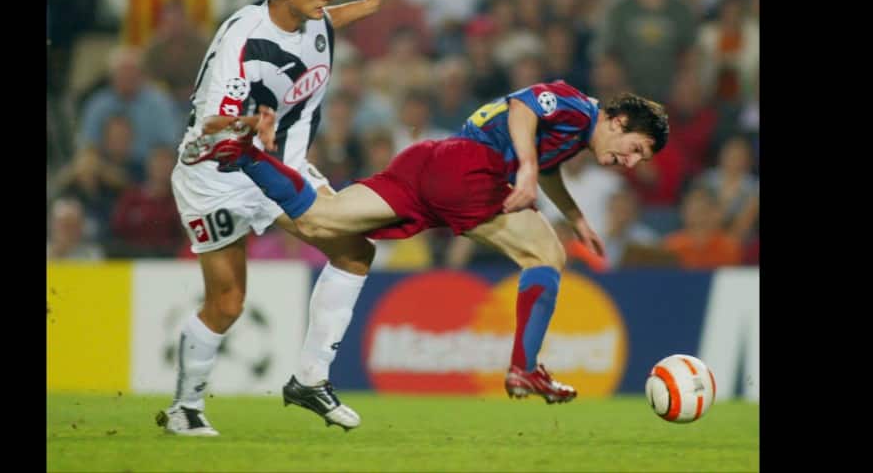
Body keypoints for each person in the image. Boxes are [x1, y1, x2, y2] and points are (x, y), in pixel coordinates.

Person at [185, 83, 669, 406]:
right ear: (619, 122)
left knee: (321, 222)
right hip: (470, 169)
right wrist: (521, 168)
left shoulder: (576, 135)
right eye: (636, 151)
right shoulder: (574, 104)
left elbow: (547, 165)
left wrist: (576, 216)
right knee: (546, 255)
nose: (629, 163)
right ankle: (525, 369)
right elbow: (523, 108)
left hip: (432, 163)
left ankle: (240, 154)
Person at [157, 0, 385, 436]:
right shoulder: (244, 40)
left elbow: (325, 23)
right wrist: (247, 124)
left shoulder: (308, 16)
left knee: (354, 251)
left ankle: (309, 378)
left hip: (279, 163)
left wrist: (365, 7)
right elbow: (214, 121)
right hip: (215, 172)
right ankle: (185, 408)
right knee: (227, 304)